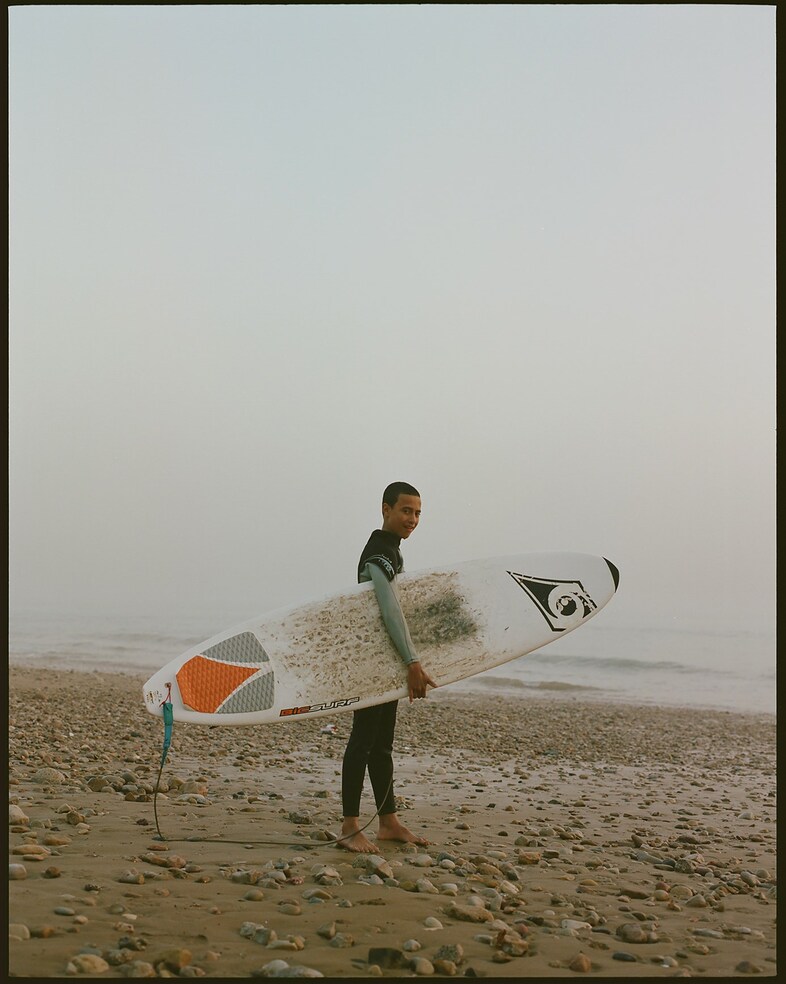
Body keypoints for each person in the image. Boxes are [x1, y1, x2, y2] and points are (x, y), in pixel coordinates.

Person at [337, 481, 437, 853]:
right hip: (372, 664)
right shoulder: (378, 552)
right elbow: (390, 610)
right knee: (362, 742)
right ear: (386, 509)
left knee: (381, 746)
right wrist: (412, 661)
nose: (412, 519)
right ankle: (349, 826)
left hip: (384, 661)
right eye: (406, 511)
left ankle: (388, 821)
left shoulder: (390, 550)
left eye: (417, 513)